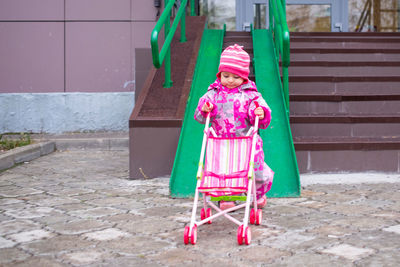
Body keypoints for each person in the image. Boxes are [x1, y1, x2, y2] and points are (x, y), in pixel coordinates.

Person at [194, 44, 274, 210]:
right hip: (221, 142)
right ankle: (225, 198)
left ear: (244, 78)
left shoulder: (251, 95)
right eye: (226, 75)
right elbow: (200, 115)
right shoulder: (213, 94)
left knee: (255, 171)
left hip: (246, 142)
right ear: (220, 74)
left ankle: (257, 193)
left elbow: (262, 114)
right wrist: (205, 108)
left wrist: (260, 112)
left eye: (236, 77)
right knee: (223, 171)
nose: (230, 80)